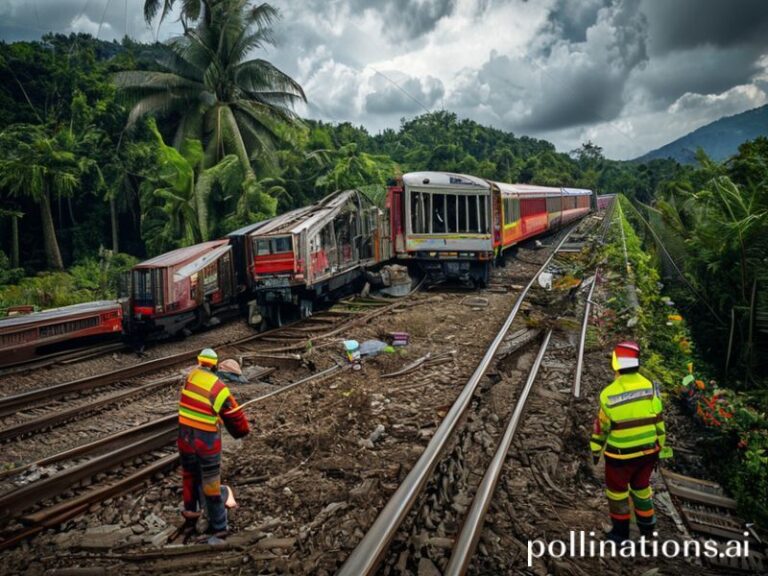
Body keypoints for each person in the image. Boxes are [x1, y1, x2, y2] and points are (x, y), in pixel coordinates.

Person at [590, 341, 666, 542]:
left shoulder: (608, 394)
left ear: (616, 364)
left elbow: (601, 428)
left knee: (617, 493)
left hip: (621, 456)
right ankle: (648, 532)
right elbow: (659, 421)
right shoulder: (650, 387)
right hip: (649, 452)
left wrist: (595, 450)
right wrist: (661, 448)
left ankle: (620, 534)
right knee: (642, 489)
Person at [178, 348, 250, 543]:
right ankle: (219, 526)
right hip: (206, 441)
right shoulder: (218, 387)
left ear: (199, 362)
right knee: (211, 482)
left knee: (190, 476)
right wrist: (242, 432)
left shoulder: (190, 376)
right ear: (215, 365)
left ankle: (191, 514)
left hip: (185, 437)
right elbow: (234, 415)